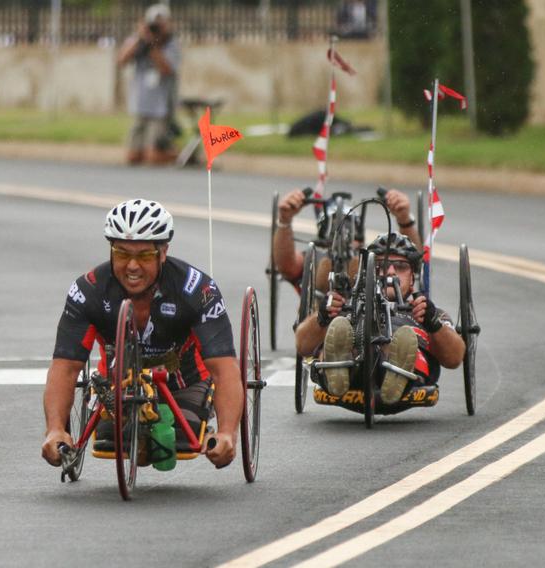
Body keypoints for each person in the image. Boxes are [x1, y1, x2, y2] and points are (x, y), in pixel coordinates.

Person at [42, 199, 242, 469]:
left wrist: (228, 432)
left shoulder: (197, 289)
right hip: (118, 386)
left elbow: (224, 368)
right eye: (122, 254)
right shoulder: (88, 290)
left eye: (145, 255)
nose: (132, 266)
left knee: (179, 440)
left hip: (183, 383)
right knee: (110, 439)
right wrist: (55, 429)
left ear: (163, 252)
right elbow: (65, 366)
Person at [295, 232, 464, 404]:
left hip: (409, 371)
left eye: (400, 266)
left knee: (405, 341)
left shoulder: (425, 312)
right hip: (353, 369)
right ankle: (338, 366)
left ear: (412, 277)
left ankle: (396, 371)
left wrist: (433, 323)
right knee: (339, 328)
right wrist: (323, 316)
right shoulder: (345, 308)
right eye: (381, 265)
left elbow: (455, 358)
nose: (390, 272)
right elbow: (302, 346)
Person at [272, 187, 422, 293]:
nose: (343, 236)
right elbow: (286, 266)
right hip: (319, 331)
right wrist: (285, 220)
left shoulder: (376, 262)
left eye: (350, 227)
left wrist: (404, 220)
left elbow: (413, 262)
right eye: (335, 230)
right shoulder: (313, 260)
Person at [117, 4, 181, 166]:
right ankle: (178, 154)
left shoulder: (171, 44)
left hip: (161, 107)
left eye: (161, 23)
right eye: (154, 23)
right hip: (141, 104)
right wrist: (141, 38)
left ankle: (185, 156)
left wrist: (153, 44)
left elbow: (166, 69)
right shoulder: (139, 40)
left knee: (152, 156)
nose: (156, 28)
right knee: (133, 157)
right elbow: (121, 60)